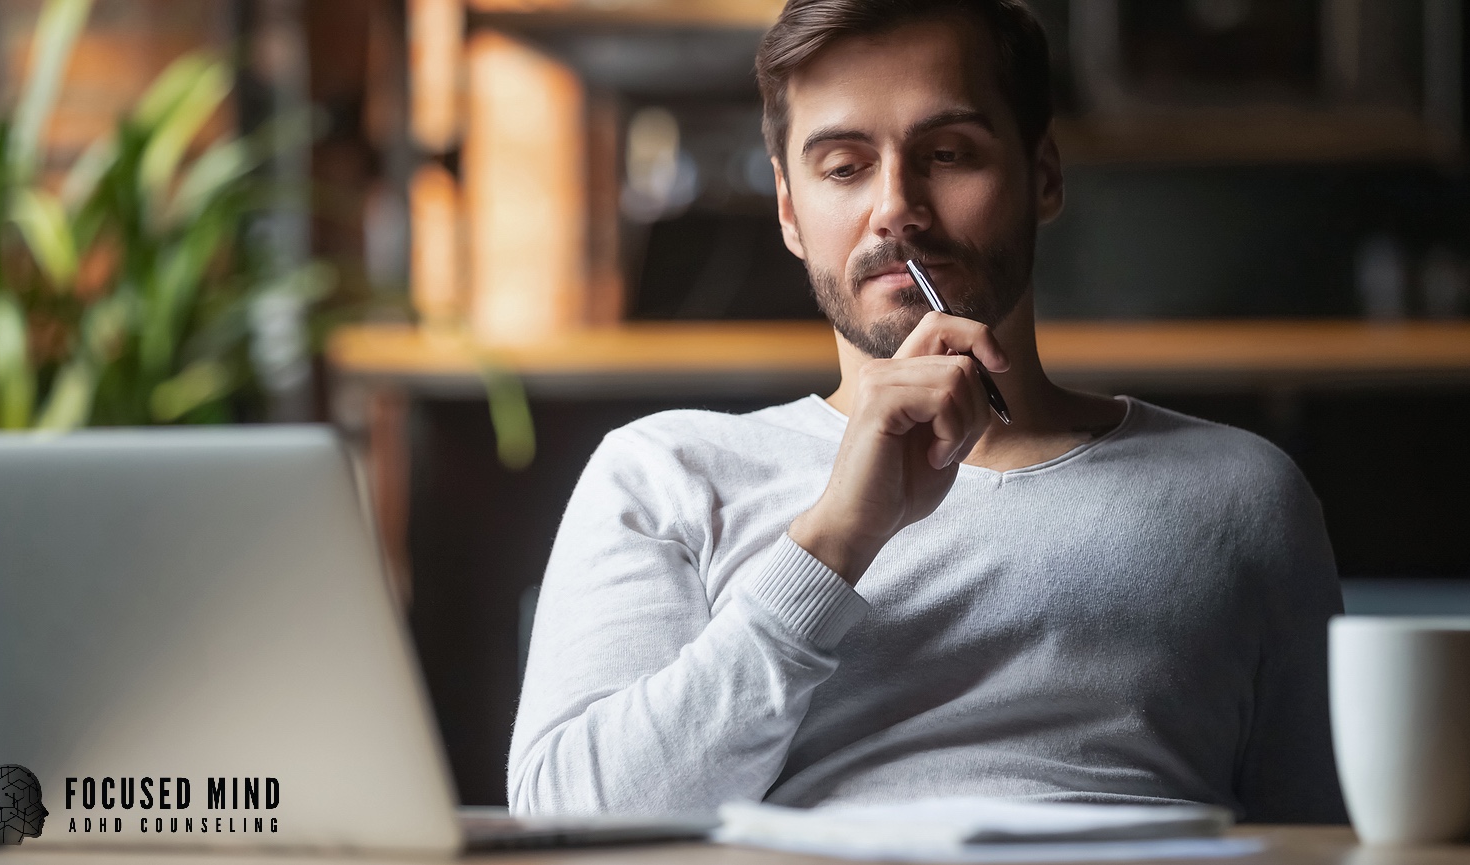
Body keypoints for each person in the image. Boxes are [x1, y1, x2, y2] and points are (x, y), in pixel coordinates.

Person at [508, 0, 1345, 822]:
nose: (896, 207)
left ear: (1043, 175)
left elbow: (1329, 836)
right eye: (843, 166)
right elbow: (569, 818)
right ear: (791, 209)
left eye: (947, 153)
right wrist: (834, 539)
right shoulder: (666, 473)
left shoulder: (1243, 493)